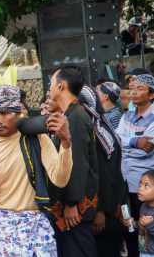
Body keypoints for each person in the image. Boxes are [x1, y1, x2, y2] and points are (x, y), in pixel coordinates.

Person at [0, 84, 73, 257]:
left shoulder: (37, 140)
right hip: (0, 232)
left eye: (4, 113)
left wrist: (66, 144)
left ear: (18, 113)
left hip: (37, 227)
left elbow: (60, 180)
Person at [46, 64, 99, 257]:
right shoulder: (69, 113)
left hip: (75, 209)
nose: (49, 87)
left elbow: (78, 162)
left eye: (51, 83)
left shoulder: (75, 116)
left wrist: (71, 203)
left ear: (61, 86)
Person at [77, 85, 130, 256]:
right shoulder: (94, 130)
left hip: (107, 210)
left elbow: (106, 177)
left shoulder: (99, 135)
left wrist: (100, 211)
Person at [116, 74, 154, 255]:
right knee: (129, 227)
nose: (134, 92)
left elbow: (146, 150)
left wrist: (128, 144)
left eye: (140, 89)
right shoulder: (127, 115)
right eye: (133, 88)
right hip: (125, 181)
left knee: (147, 228)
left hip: (145, 185)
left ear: (151, 95)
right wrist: (134, 142)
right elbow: (116, 141)